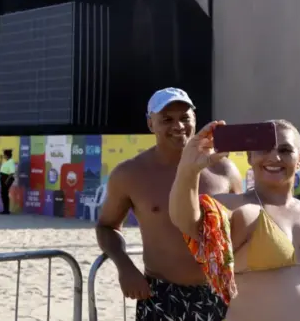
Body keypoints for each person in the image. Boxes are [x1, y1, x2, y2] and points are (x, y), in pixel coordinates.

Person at [169, 119, 300, 321]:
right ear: (250, 157)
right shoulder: (235, 208)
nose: (274, 157)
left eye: (285, 150)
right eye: (264, 149)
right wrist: (189, 168)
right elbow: (186, 221)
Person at [96, 88, 243, 321]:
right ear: (150, 124)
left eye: (185, 118)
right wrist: (125, 267)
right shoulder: (130, 174)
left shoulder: (224, 170)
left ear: (195, 119)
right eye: (167, 119)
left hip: (220, 292)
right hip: (160, 294)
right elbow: (106, 227)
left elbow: (243, 230)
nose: (178, 126)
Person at [0, 149, 16, 215]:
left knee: (5, 194)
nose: (4, 156)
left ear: (7, 155)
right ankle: (5, 209)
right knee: (3, 194)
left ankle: (6, 210)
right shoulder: (6, 162)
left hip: (6, 178)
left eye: (4, 155)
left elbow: (12, 172)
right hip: (3, 178)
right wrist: (0, 160)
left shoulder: (10, 162)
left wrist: (6, 181)